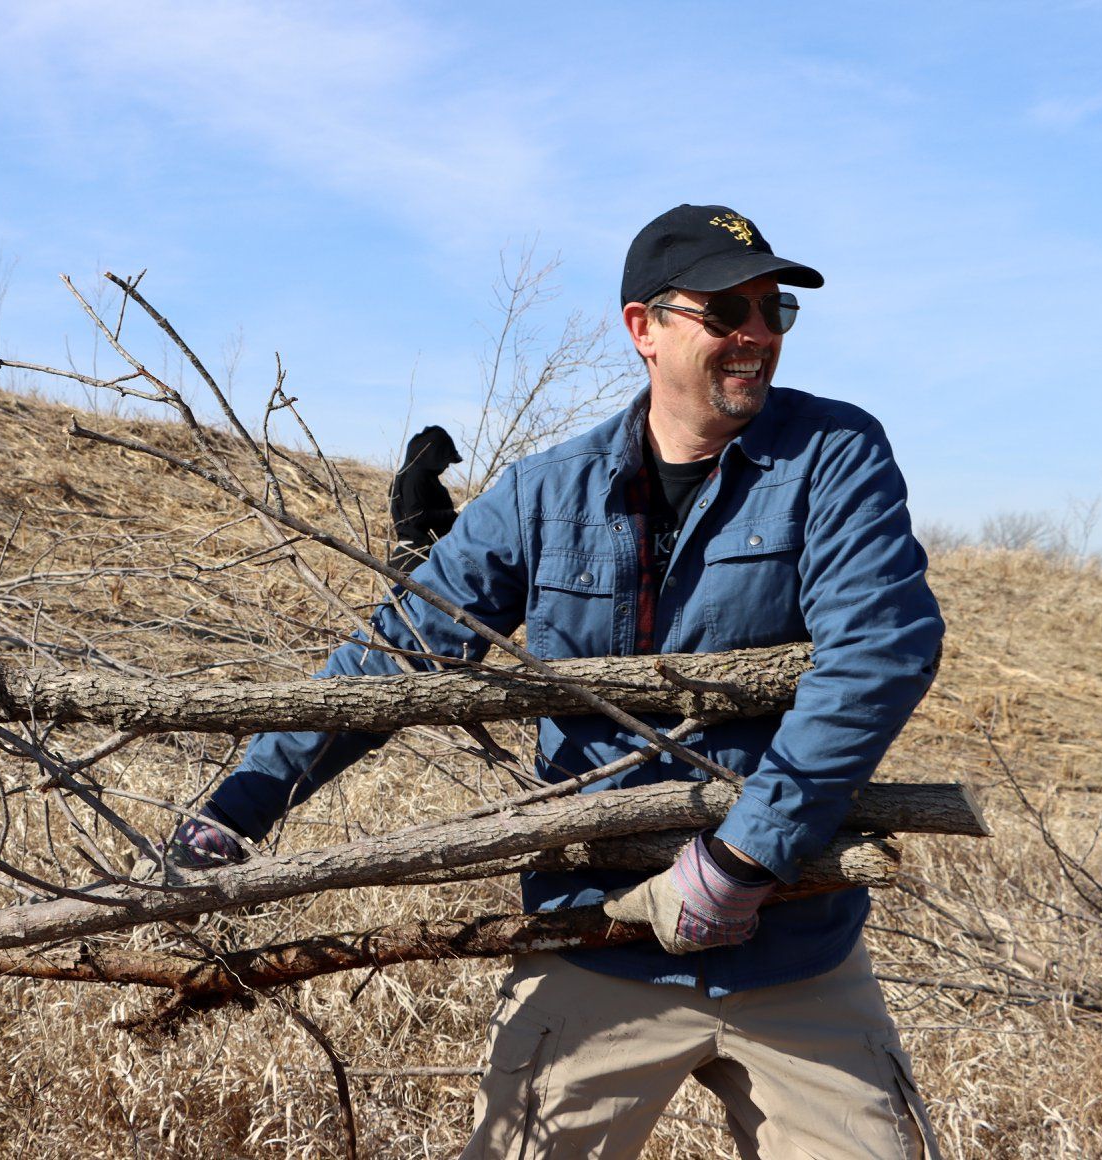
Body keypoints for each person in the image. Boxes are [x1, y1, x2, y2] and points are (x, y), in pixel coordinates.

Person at [170, 204, 945, 1158]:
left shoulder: (833, 456)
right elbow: (399, 656)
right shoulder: (546, 494)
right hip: (596, 939)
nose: (756, 334)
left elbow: (880, 651)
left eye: (773, 309)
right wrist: (238, 809)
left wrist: (744, 859)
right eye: (726, 310)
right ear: (643, 328)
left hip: (796, 951)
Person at [388, 424, 463, 573]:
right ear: (434, 455)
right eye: (445, 460)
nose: (447, 466)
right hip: (416, 556)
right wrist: (456, 513)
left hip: (417, 555)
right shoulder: (415, 477)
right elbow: (417, 516)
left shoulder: (411, 476)